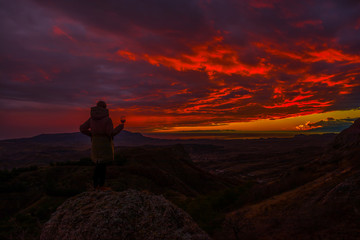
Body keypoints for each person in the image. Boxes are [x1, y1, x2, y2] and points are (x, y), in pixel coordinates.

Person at [80, 100, 125, 190]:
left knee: (97, 164)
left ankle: (95, 185)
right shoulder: (107, 119)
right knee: (103, 166)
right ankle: (101, 186)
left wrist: (92, 135)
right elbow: (110, 133)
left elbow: (82, 128)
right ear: (105, 108)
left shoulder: (91, 119)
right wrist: (120, 127)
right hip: (104, 144)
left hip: (95, 144)